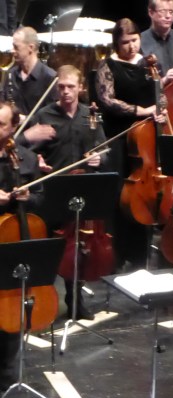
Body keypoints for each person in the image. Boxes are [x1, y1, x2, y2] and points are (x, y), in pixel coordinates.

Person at [24, 65, 108, 321]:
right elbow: (27, 151)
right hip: (53, 188)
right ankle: (43, 302)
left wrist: (100, 158)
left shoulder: (90, 115)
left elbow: (103, 148)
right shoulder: (45, 114)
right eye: (61, 87)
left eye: (71, 86)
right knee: (49, 247)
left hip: (81, 188)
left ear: (80, 87)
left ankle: (75, 300)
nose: (66, 91)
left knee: (79, 248)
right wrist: (37, 160)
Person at [96, 18, 161, 268]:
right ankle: (117, 254)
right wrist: (141, 111)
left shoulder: (148, 63)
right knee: (120, 195)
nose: (132, 46)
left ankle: (141, 255)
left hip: (146, 140)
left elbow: (160, 98)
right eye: (125, 42)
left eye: (135, 40)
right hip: (120, 138)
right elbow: (107, 100)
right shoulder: (108, 66)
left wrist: (160, 110)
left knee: (144, 196)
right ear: (117, 43)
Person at [0, 100, 42, 392]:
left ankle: (6, 373)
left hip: (15, 240)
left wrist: (30, 197)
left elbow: (41, 196)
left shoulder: (26, 159)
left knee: (12, 306)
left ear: (14, 127)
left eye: (1, 125)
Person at [2, 27, 57, 122]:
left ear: (30, 48)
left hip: (37, 130)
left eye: (16, 47)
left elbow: (53, 116)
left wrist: (26, 120)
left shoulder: (50, 77)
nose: (12, 50)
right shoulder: (11, 74)